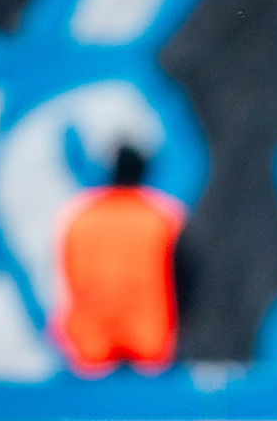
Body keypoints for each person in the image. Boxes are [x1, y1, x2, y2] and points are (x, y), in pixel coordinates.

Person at [51, 145, 184, 375]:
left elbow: (64, 277)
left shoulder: (80, 217)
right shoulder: (163, 218)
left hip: (88, 347)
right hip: (150, 343)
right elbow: (183, 280)